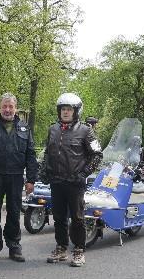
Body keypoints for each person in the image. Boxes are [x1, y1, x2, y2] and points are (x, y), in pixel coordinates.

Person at [40, 93, 102, 267]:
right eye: (63, 109)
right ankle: (61, 248)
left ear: (76, 111)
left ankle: (79, 250)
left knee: (77, 218)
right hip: (56, 181)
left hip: (75, 182)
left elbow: (97, 155)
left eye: (69, 109)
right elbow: (47, 153)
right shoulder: (53, 129)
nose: (65, 112)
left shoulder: (86, 130)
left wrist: (84, 173)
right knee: (59, 217)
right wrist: (44, 170)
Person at [0, 93, 38, 263]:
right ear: (0, 107)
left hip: (16, 176)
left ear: (15, 108)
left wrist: (31, 180)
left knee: (14, 212)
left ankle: (14, 246)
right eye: (4, 106)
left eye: (10, 106)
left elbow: (30, 155)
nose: (7, 109)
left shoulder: (24, 128)